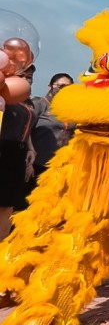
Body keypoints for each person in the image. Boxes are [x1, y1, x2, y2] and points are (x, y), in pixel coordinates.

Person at [0, 66, 37, 238]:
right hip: (3, 149)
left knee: (8, 205)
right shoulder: (4, 99)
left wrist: (30, 149)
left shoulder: (27, 104)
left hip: (17, 154)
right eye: (23, 75)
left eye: (29, 76)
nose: (27, 79)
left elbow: (25, 130)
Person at [27, 73, 74, 201]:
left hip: (57, 168)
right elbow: (26, 131)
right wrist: (28, 161)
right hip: (36, 163)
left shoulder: (70, 110)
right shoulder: (38, 105)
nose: (63, 90)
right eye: (60, 86)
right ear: (50, 86)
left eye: (68, 88)